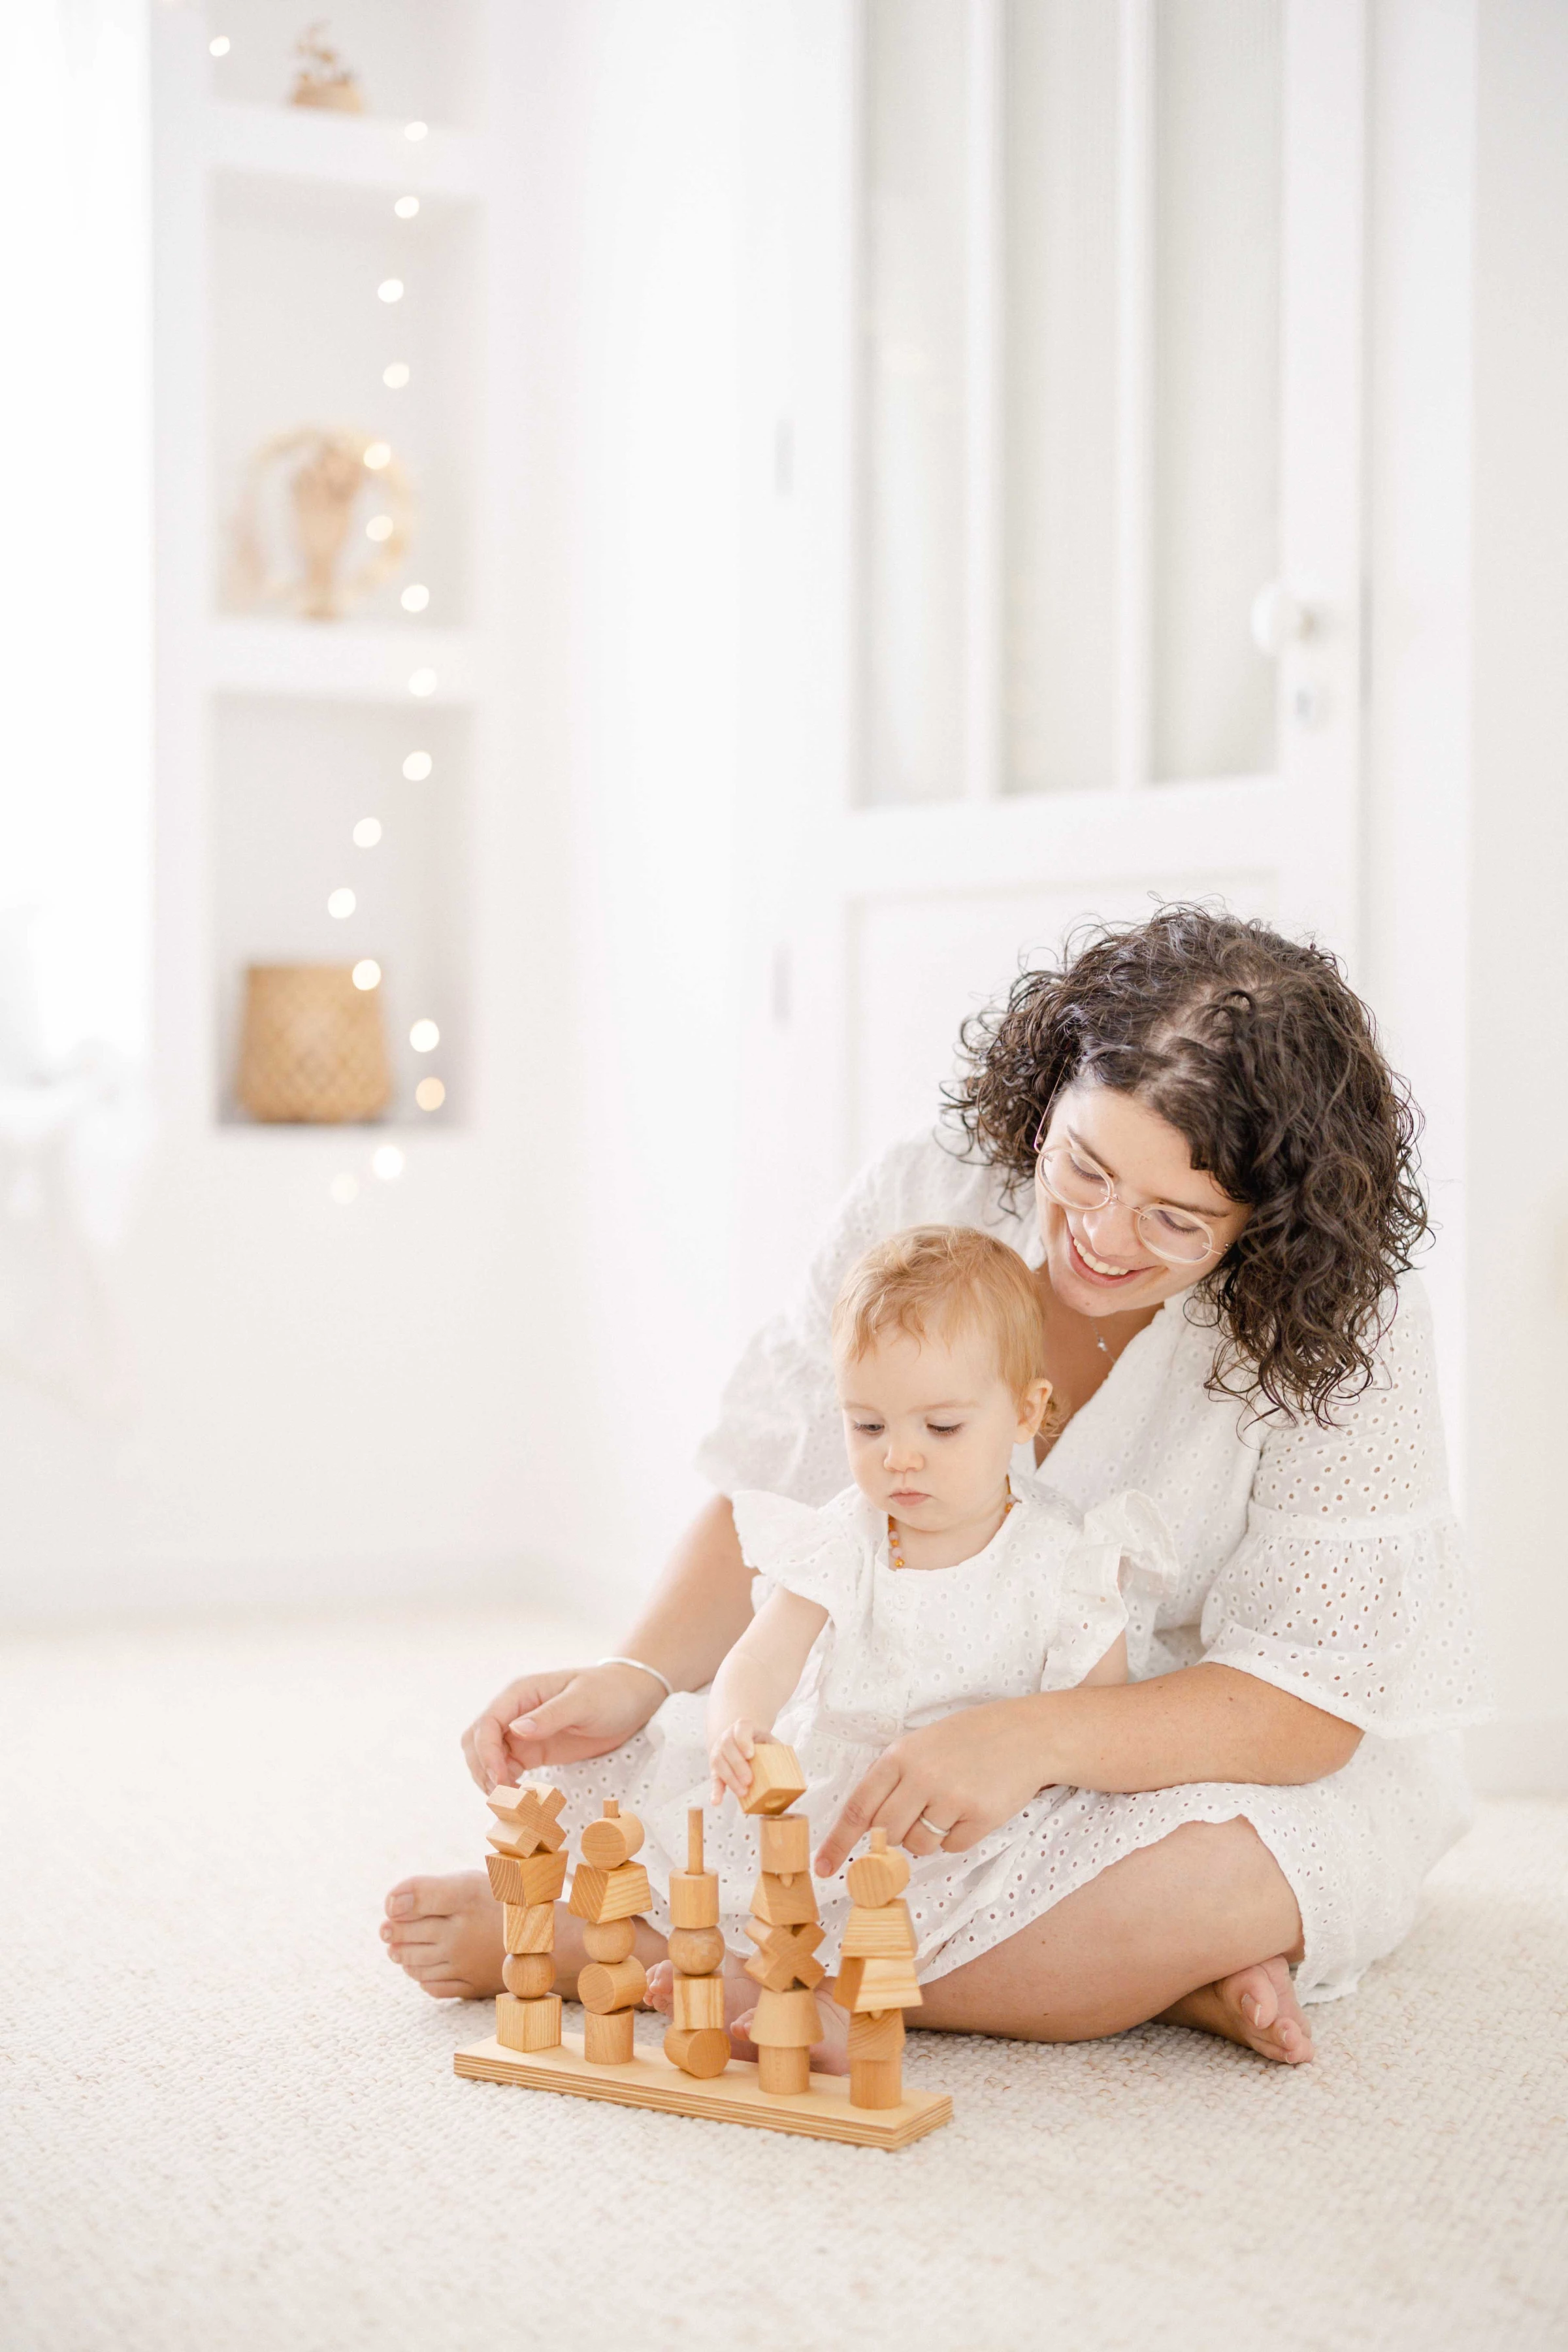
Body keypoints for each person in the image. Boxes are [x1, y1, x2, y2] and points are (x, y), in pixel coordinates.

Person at [384, 906, 1487, 2065]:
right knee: (703, 1793)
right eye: (1085, 1167)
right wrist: (636, 1670)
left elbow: (1303, 1703)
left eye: (1176, 1220)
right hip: (900, 1726)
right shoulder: (929, 1195)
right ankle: (1118, 1985)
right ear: (1048, 1093)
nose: (1103, 1239)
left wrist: (1031, 1742)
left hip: (1190, 1753)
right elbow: (780, 1494)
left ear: (1268, 1227)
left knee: (1226, 1878)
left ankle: (632, 1948)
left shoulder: (1342, 1328)